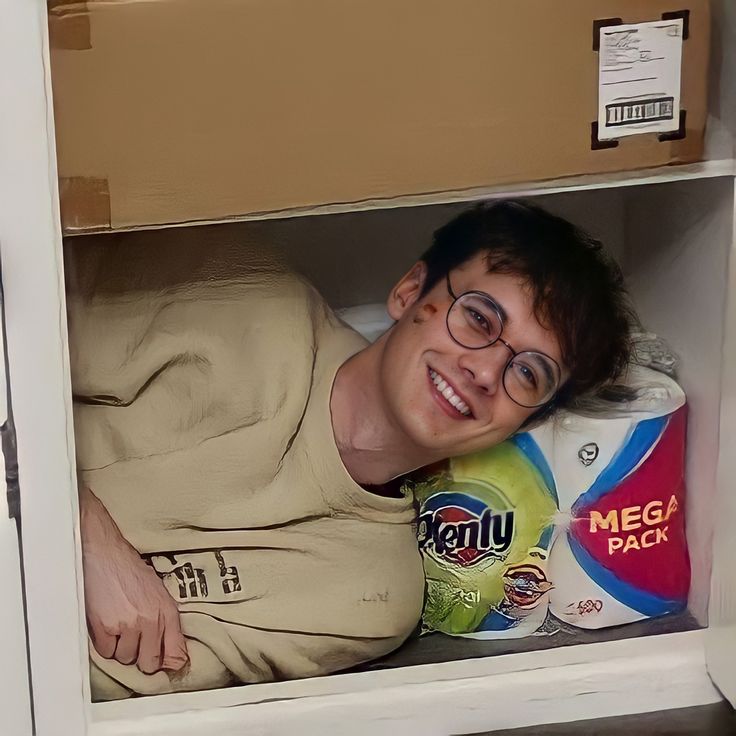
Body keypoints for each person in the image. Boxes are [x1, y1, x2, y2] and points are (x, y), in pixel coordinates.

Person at [70, 200, 634, 699]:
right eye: (480, 318)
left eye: (529, 374)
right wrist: (79, 530)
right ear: (410, 292)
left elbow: (82, 684)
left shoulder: (370, 598)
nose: (486, 371)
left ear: (521, 422)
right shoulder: (235, 289)